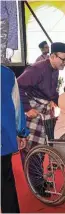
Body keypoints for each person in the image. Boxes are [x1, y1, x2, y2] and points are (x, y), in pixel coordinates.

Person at [17, 42, 65, 196]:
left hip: (45, 112)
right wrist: (27, 108)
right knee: (31, 149)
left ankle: (38, 179)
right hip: (33, 113)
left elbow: (52, 94)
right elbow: (17, 86)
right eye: (63, 60)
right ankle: (36, 185)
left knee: (42, 149)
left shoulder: (55, 70)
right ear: (53, 56)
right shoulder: (37, 69)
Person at [1, 65, 30, 213]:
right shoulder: (7, 74)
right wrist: (21, 132)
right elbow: (17, 107)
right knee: (5, 181)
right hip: (3, 138)